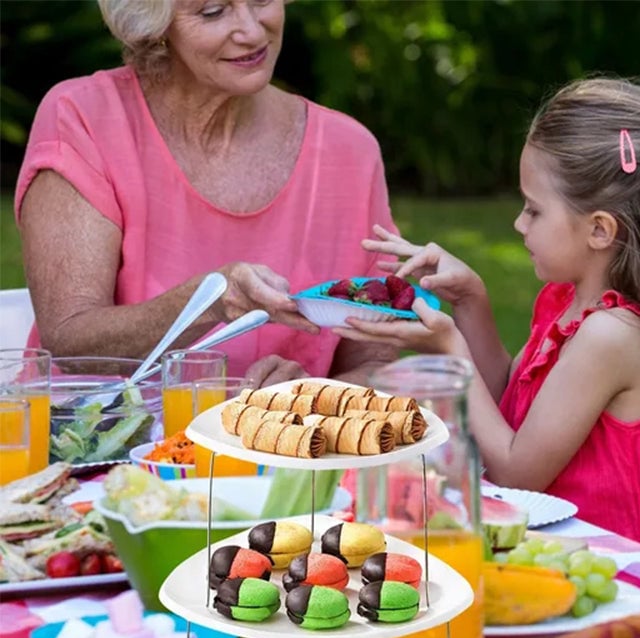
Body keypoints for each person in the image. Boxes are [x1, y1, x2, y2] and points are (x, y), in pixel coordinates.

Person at [335, 77, 640, 577]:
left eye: (534, 209)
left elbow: (516, 469)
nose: (518, 223)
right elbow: (506, 410)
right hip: (552, 558)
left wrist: (449, 345)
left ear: (600, 229)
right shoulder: (566, 303)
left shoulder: (611, 335)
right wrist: (471, 303)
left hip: (624, 573)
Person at [14, 0, 398, 385]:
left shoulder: (349, 151)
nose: (251, 31)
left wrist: (312, 394)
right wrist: (208, 301)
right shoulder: (85, 117)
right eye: (213, 11)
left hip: (274, 443)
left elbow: (377, 363)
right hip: (97, 437)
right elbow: (70, 340)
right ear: (156, 25)